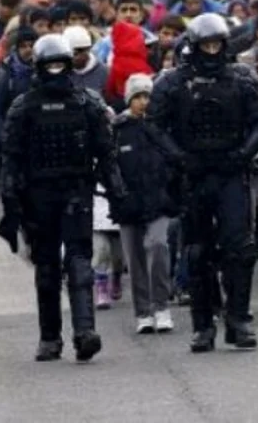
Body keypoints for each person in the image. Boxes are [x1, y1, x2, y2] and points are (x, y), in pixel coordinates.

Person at [146, 13, 258, 353]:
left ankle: (239, 319)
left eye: (217, 44)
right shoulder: (173, 82)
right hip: (193, 174)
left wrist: (243, 153)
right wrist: (178, 157)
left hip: (230, 171)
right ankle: (203, 326)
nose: (212, 51)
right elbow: (154, 125)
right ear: (195, 46)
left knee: (240, 248)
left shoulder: (242, 79)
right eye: (207, 45)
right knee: (198, 252)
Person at [0, 34, 118, 363]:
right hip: (38, 194)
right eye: (48, 65)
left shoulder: (87, 102)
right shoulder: (23, 107)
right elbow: (11, 156)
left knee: (80, 263)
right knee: (47, 267)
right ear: (38, 67)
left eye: (60, 65)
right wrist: (10, 197)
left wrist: (118, 193)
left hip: (76, 189)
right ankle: (49, 337)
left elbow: (105, 152)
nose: (55, 71)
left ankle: (84, 333)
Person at [110, 74, 177, 334]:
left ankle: (162, 306)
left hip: (159, 200)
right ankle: (143, 311)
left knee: (158, 245)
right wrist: (117, 192)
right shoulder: (118, 128)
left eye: (147, 96)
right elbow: (109, 165)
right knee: (135, 257)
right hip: (128, 203)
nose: (143, 102)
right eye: (138, 97)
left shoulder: (161, 126)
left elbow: (173, 158)